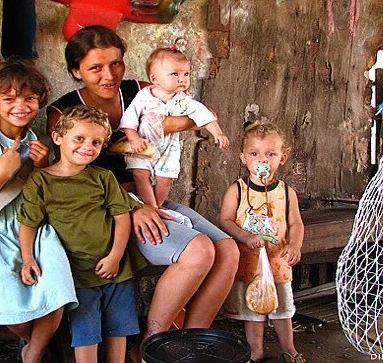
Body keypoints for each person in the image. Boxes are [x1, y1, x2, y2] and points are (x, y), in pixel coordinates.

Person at [46, 25, 240, 345]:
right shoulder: (63, 112)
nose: (109, 75)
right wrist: (131, 207)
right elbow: (74, 179)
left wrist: (180, 119)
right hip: (106, 213)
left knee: (228, 250)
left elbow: (188, 115)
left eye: (116, 63)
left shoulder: (141, 90)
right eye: (95, 68)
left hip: (148, 197)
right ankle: (155, 345)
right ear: (75, 71)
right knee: (199, 251)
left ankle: (189, 343)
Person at [0, 57, 77, 363]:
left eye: (29, 99)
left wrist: (42, 166)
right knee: (11, 306)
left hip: (33, 226)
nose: (20, 106)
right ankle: (31, 342)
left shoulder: (33, 139)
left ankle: (33, 353)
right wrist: (0, 174)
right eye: (9, 99)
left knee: (57, 291)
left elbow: (41, 192)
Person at [19, 105, 147, 363]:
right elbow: (29, 223)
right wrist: (28, 258)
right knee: (85, 330)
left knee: (119, 328)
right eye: (79, 138)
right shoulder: (40, 181)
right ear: (57, 138)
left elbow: (121, 217)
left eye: (96, 142)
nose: (88, 146)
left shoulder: (103, 177)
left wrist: (116, 256)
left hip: (115, 269)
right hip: (75, 273)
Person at [219, 122, 305, 363]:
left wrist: (295, 245)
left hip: (278, 262)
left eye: (271, 154)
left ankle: (289, 347)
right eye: (254, 154)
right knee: (253, 310)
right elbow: (225, 220)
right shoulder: (237, 190)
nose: (262, 160)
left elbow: (296, 223)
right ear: (243, 157)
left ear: (282, 158)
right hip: (250, 264)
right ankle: (255, 349)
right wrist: (245, 237)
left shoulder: (287, 192)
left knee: (282, 308)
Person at [119, 46, 229, 208]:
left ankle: (157, 205)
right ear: (155, 79)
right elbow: (129, 119)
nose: (182, 79)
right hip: (143, 145)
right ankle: (150, 207)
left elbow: (204, 114)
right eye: (175, 74)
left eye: (186, 74)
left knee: (165, 180)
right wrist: (133, 138)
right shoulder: (143, 96)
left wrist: (217, 133)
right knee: (140, 174)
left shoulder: (184, 100)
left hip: (168, 149)